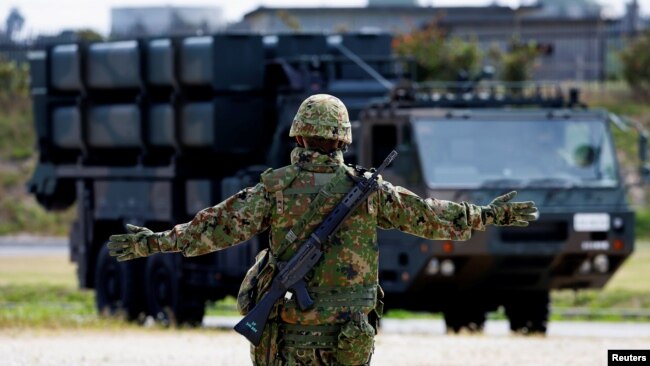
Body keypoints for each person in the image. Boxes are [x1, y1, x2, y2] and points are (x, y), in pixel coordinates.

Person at [108, 94, 538, 366]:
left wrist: (152, 243)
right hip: (349, 340)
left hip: (288, 338)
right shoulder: (367, 192)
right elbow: (431, 216)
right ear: (344, 141)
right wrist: (490, 215)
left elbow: (212, 229)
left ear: (298, 139)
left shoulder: (274, 189)